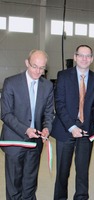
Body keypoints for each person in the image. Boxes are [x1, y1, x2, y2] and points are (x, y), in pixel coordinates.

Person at [51, 44, 94, 200]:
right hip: (65, 129)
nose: (84, 58)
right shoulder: (63, 75)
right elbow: (59, 104)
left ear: (92, 59)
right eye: (81, 55)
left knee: (83, 172)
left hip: (86, 131)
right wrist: (72, 127)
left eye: (88, 56)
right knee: (63, 172)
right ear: (75, 57)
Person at [0, 50, 54, 199]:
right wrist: (26, 130)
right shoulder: (11, 83)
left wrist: (46, 127)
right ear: (26, 63)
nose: (38, 71)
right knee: (14, 185)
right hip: (14, 141)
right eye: (34, 66)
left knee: (30, 185)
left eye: (42, 68)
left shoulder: (47, 86)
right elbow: (5, 114)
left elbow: (49, 113)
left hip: (35, 143)